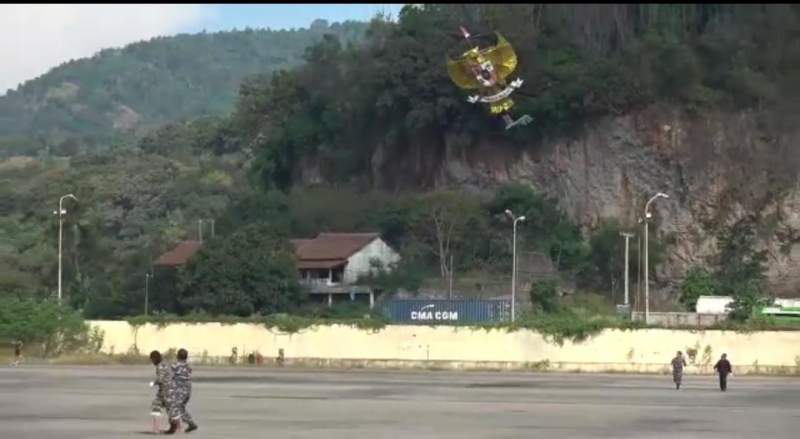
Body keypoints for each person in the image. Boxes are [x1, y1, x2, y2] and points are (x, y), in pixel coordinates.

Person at [165, 348, 198, 434]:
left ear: (178, 356)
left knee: (172, 408)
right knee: (180, 408)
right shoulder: (188, 366)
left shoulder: (175, 365)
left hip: (179, 390)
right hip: (187, 390)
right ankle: (190, 423)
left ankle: (173, 427)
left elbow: (168, 372)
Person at [148, 350, 171, 431]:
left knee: (155, 406)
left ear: (155, 358)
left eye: (152, 359)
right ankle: (176, 428)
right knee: (171, 409)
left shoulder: (159, 366)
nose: (152, 362)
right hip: (172, 390)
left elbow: (160, 379)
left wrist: (153, 383)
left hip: (164, 391)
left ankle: (156, 427)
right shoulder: (166, 364)